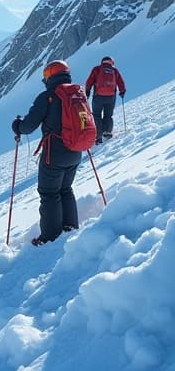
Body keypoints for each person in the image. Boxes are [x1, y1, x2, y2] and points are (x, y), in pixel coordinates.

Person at [12, 60, 81, 246]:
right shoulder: (76, 93)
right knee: (66, 189)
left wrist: (17, 125)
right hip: (76, 151)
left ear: (49, 77)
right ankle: (70, 226)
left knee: (49, 193)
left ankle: (50, 237)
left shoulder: (47, 97)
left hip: (55, 154)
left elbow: (28, 127)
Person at [84, 56, 126, 144]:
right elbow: (121, 82)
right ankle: (107, 132)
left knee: (96, 115)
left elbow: (89, 81)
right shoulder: (114, 71)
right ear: (111, 62)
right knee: (108, 115)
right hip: (111, 97)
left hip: (98, 96)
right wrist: (122, 91)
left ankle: (98, 137)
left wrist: (87, 92)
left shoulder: (97, 69)